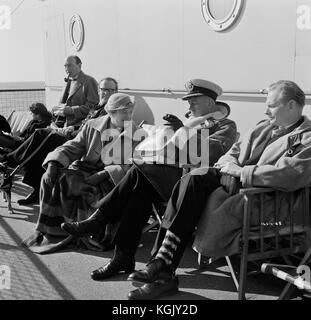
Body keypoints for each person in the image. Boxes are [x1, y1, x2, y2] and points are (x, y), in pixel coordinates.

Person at [123, 80, 311, 300]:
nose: (265, 110)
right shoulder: (263, 126)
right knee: (193, 179)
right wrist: (230, 169)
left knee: (191, 187)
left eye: (271, 105)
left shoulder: (307, 137)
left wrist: (241, 173)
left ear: (291, 105)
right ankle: (162, 267)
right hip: (235, 190)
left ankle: (162, 269)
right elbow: (231, 153)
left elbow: (291, 175)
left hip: (268, 204)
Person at [61, 79, 237, 280]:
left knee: (139, 174)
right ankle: (122, 256)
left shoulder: (225, 126)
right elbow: (172, 152)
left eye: (193, 102)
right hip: (172, 178)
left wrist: (183, 133)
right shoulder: (192, 122)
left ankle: (101, 219)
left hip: (192, 186)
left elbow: (210, 153)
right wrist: (172, 133)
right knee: (138, 194)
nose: (189, 106)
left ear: (210, 102)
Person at [22, 92, 138, 253]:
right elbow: (72, 146)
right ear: (112, 112)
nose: (128, 115)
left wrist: (102, 174)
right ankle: (51, 229)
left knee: (83, 188)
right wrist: (53, 163)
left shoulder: (136, 134)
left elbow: (132, 166)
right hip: (85, 168)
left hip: (111, 179)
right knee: (52, 178)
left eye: (130, 111)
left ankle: (82, 231)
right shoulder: (92, 125)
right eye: (124, 112)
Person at [0, 77, 117, 205]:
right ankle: (35, 187)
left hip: (80, 143)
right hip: (75, 134)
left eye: (110, 90)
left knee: (41, 135)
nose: (105, 92)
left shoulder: (110, 110)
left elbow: (94, 132)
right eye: (103, 89)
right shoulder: (96, 107)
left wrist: (69, 131)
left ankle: (9, 159)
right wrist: (71, 127)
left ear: (115, 91)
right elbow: (86, 126)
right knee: (39, 149)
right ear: (99, 90)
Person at [52, 55, 98, 128]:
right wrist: (57, 109)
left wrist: (71, 110)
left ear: (79, 66)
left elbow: (93, 107)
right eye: (65, 66)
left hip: (78, 126)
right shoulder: (68, 81)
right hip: (63, 123)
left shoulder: (89, 81)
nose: (67, 69)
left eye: (70, 65)